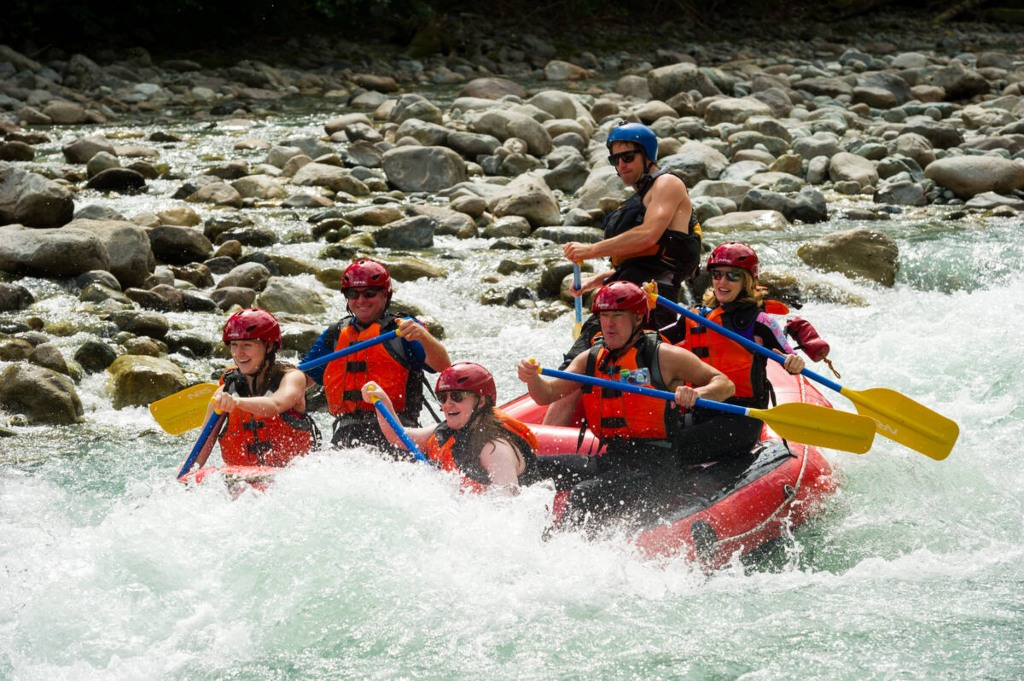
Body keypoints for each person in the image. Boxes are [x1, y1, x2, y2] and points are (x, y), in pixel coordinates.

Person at [516, 281, 735, 534]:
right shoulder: (590, 358)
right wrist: (532, 379)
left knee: (583, 494)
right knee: (531, 469)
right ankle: (523, 532)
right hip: (613, 457)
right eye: (604, 316)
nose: (609, 324)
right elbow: (547, 394)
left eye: (618, 316)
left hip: (657, 467)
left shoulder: (665, 356)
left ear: (638, 318)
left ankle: (558, 546)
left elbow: (725, 384)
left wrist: (697, 393)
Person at [546, 121, 703, 425]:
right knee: (583, 369)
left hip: (650, 301)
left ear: (647, 156)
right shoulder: (640, 197)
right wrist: (600, 279)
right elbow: (642, 260)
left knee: (577, 372)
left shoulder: (667, 184)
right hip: (624, 297)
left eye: (628, 157)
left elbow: (649, 235)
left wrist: (590, 250)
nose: (621, 165)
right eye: (615, 159)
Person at [664, 241, 806, 453]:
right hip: (700, 408)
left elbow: (791, 359)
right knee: (655, 441)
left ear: (747, 281)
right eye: (717, 274)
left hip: (741, 417)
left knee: (672, 449)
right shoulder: (695, 316)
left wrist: (794, 362)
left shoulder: (760, 321)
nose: (722, 281)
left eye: (732, 276)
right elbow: (654, 342)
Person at [301, 258, 451, 450]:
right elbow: (302, 379)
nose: (361, 300)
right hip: (346, 433)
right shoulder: (335, 334)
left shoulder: (403, 329)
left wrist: (423, 336)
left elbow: (444, 366)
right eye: (353, 294)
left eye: (369, 293)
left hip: (399, 432)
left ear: (385, 295)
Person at [361, 362, 538, 494]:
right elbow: (400, 438)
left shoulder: (495, 449)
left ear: (481, 401)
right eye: (443, 398)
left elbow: (506, 506)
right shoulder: (449, 431)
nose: (447, 404)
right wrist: (382, 402)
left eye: (457, 397)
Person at [184, 308, 320, 472]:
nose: (238, 353)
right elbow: (200, 449)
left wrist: (236, 402)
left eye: (247, 345)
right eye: (234, 345)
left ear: (269, 346)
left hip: (291, 476)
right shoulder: (224, 392)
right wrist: (182, 476)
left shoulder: (292, 378)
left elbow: (275, 405)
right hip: (242, 479)